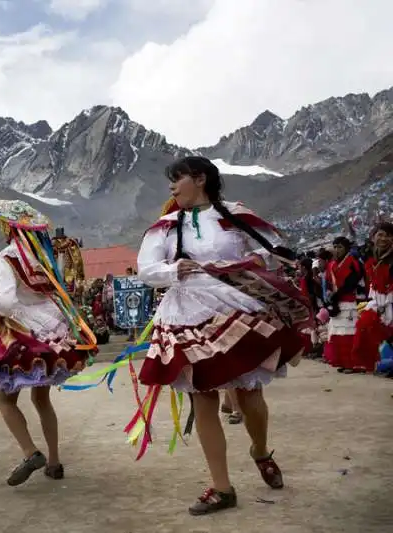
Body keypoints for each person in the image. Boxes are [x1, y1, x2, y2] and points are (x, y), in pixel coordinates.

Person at [133, 156, 310, 515]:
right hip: (187, 313)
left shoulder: (236, 215)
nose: (172, 186)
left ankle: (259, 450)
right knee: (203, 397)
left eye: (177, 178)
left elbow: (273, 252)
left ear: (199, 179)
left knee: (249, 397)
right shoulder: (166, 227)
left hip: (235, 308)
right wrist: (172, 269)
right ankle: (222, 487)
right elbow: (146, 270)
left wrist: (246, 265)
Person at [0, 199, 97, 487]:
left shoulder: (9, 255)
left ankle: (30, 452)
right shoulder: (41, 255)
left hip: (24, 333)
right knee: (41, 398)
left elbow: (8, 302)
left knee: (6, 399)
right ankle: (55, 462)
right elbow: (32, 292)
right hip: (52, 329)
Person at [353, 223, 393, 371]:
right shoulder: (372, 259)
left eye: (388, 235)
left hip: (390, 304)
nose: (384, 238)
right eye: (380, 235)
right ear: (373, 237)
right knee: (365, 327)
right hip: (381, 305)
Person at [323, 236, 363, 372]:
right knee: (338, 333)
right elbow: (328, 282)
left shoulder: (353, 262)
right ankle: (343, 362)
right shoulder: (332, 264)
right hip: (336, 302)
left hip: (349, 302)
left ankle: (353, 364)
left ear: (347, 248)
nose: (336, 250)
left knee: (349, 333)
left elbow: (351, 283)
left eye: (339, 247)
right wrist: (329, 293)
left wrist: (336, 294)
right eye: (334, 247)